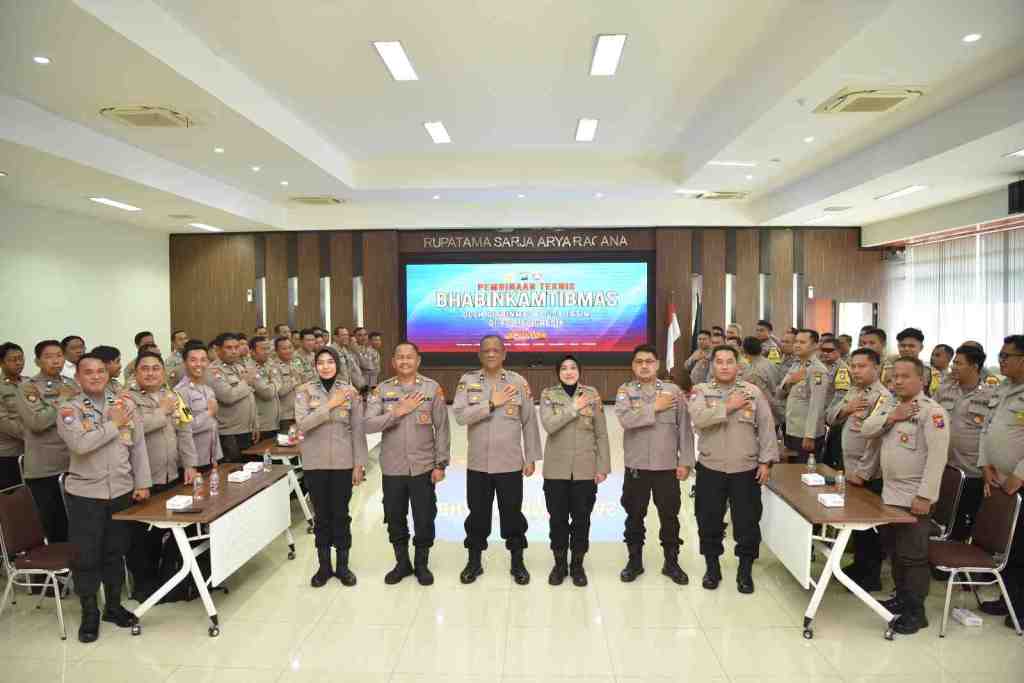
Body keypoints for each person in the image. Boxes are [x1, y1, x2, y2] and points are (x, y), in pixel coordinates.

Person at [58, 352, 152, 642]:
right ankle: (90, 614)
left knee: (115, 552)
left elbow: (138, 446)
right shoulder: (68, 409)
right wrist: (112, 424)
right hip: (86, 494)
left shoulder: (124, 403)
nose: (96, 376)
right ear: (78, 377)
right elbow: (80, 444)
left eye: (101, 371)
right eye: (89, 372)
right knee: (86, 556)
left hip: (121, 490)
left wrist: (143, 482)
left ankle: (112, 606)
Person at [860, 357, 950, 635]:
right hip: (890, 494)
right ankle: (901, 597)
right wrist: (892, 416)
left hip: (914, 497)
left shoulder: (932, 413)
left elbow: (937, 459)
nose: (898, 381)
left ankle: (916, 611)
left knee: (913, 556)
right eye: (895, 376)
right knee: (896, 552)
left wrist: (925, 496)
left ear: (921, 380)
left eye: (905, 376)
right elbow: (866, 429)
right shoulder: (890, 406)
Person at [453, 335, 542, 585]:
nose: (491, 354)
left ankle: (517, 561)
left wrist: (531, 457)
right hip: (478, 463)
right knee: (477, 515)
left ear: (504, 354)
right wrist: (491, 403)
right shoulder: (467, 381)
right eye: (486, 351)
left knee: (512, 514)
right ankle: (474, 561)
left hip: (510, 463)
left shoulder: (518, 382)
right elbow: (460, 416)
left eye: (496, 350)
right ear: (480, 355)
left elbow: (529, 423)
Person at [689, 345, 778, 593]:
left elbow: (767, 428)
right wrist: (729, 406)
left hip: (746, 468)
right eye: (719, 361)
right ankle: (712, 567)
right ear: (712, 365)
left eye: (730, 361)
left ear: (738, 366)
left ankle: (745, 570)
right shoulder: (701, 391)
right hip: (711, 467)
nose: (725, 366)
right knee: (708, 520)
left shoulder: (753, 393)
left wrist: (765, 461)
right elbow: (699, 419)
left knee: (747, 522)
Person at [364, 342, 450, 586]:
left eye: (409, 357)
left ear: (418, 361)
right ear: (393, 362)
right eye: (399, 357)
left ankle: (421, 563)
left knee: (424, 517)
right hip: (392, 467)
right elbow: (368, 425)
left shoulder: (432, 389)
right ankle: (402, 563)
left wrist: (440, 464)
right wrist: (397, 412)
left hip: (423, 466)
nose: (404, 361)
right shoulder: (381, 390)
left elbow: (442, 428)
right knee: (394, 516)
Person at [614, 344, 695, 585]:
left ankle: (671, 562)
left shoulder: (673, 391)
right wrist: (654, 408)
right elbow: (626, 420)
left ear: (657, 364)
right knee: (634, 515)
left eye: (649, 361)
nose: (644, 365)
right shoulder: (625, 391)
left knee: (669, 517)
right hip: (637, 466)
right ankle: (634, 561)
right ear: (633, 366)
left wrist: (686, 461)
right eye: (639, 361)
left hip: (667, 467)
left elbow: (685, 429)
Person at [126, 351, 199, 599]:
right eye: (144, 368)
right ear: (136, 373)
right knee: (141, 538)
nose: (150, 373)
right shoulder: (126, 399)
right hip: (143, 479)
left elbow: (186, 429)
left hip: (173, 475)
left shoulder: (174, 396)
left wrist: (190, 464)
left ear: (163, 371)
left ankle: (167, 581)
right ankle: (144, 588)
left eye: (155, 368)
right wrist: (162, 411)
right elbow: (134, 429)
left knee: (168, 531)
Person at [295, 347, 367, 588]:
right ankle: (324, 567)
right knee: (321, 516)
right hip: (315, 463)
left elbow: (358, 430)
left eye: (330, 362)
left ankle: (343, 566)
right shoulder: (304, 392)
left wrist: (360, 464)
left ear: (337, 364)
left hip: (343, 464)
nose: (325, 366)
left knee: (341, 514)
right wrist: (330, 405)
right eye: (321, 362)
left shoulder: (350, 392)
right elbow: (303, 425)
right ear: (315, 366)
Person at [539, 355, 610, 587]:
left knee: (582, 520)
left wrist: (602, 467)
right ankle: (559, 564)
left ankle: (577, 565)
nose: (569, 372)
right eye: (564, 368)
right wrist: (573, 408)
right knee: (557, 520)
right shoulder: (549, 395)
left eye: (573, 368)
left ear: (580, 371)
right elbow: (550, 425)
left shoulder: (592, 394)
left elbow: (601, 433)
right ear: (557, 372)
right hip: (556, 471)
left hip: (584, 470)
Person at [825, 347, 890, 591]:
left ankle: (871, 575)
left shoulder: (882, 397)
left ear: (876, 368)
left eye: (862, 366)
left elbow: (877, 441)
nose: (855, 370)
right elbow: (830, 417)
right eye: (853, 366)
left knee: (870, 526)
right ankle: (859, 565)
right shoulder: (853, 391)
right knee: (856, 522)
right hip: (848, 467)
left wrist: (863, 472)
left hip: (867, 473)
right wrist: (847, 409)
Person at [978, 334, 1024, 627]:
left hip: (1018, 481)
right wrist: (986, 465)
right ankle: (1008, 599)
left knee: (1022, 546)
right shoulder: (1003, 388)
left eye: (1006, 356)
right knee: (1007, 544)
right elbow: (986, 429)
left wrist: (1019, 475)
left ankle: (1020, 607)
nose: (1001, 360)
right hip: (997, 477)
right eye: (1000, 355)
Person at [15, 340, 78, 544]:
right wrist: (61, 401)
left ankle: (77, 570)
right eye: (49, 356)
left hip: (73, 463)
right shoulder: (28, 388)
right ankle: (56, 572)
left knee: (74, 523)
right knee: (53, 525)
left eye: (59, 355)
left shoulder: (71, 384)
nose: (55, 360)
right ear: (37, 360)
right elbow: (37, 422)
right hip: (46, 468)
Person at [934, 344, 996, 546]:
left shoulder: (990, 394)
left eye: (958, 363)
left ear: (975, 366)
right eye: (953, 362)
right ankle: (938, 552)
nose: (953, 367)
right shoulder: (945, 388)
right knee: (942, 512)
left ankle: (955, 557)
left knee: (963, 518)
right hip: (943, 464)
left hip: (970, 469)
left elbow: (990, 433)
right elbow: (932, 415)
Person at [776, 329, 828, 463]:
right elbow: (779, 394)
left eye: (802, 342)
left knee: (806, 473)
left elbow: (816, 405)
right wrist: (790, 381)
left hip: (806, 433)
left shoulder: (818, 370)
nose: (797, 345)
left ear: (815, 345)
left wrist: (810, 435)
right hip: (792, 429)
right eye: (796, 342)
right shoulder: (796, 364)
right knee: (792, 473)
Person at [207, 332, 258, 462]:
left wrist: (255, 424)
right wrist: (245, 382)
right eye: (229, 348)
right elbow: (228, 396)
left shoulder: (239, 367)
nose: (234, 351)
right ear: (218, 350)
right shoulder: (214, 371)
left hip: (247, 429)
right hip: (230, 433)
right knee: (235, 473)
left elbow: (250, 396)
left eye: (236, 347)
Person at [174, 342, 222, 469]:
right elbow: (185, 426)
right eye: (193, 360)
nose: (199, 364)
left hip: (212, 456)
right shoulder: (180, 392)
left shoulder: (208, 389)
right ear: (185, 363)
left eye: (203, 360)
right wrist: (209, 413)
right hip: (195, 461)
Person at [818, 337, 851, 469]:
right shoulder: (822, 366)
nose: (825, 353)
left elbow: (840, 397)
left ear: (838, 352)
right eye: (823, 350)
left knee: (833, 456)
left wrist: (828, 416)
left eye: (829, 350)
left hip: (834, 419)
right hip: (823, 417)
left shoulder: (842, 369)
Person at [0, 342, 26, 490]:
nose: (19, 363)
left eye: (21, 358)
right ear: (1, 362)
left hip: (31, 451)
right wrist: (32, 435)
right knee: (11, 499)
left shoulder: (30, 383)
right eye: (13, 359)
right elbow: (4, 422)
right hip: (8, 453)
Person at [271, 336, 304, 434]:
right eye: (284, 348)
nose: (288, 351)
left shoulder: (296, 363)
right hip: (285, 416)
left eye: (290, 347)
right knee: (287, 444)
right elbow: (280, 391)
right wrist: (293, 380)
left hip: (300, 412)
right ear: (276, 351)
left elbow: (303, 382)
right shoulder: (274, 367)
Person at [250, 336, 281, 442]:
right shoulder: (251, 369)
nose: (267, 352)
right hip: (262, 424)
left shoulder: (269, 364)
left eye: (268, 348)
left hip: (274, 422)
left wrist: (273, 382)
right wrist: (276, 381)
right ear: (252, 352)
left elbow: (277, 385)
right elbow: (267, 393)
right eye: (263, 349)